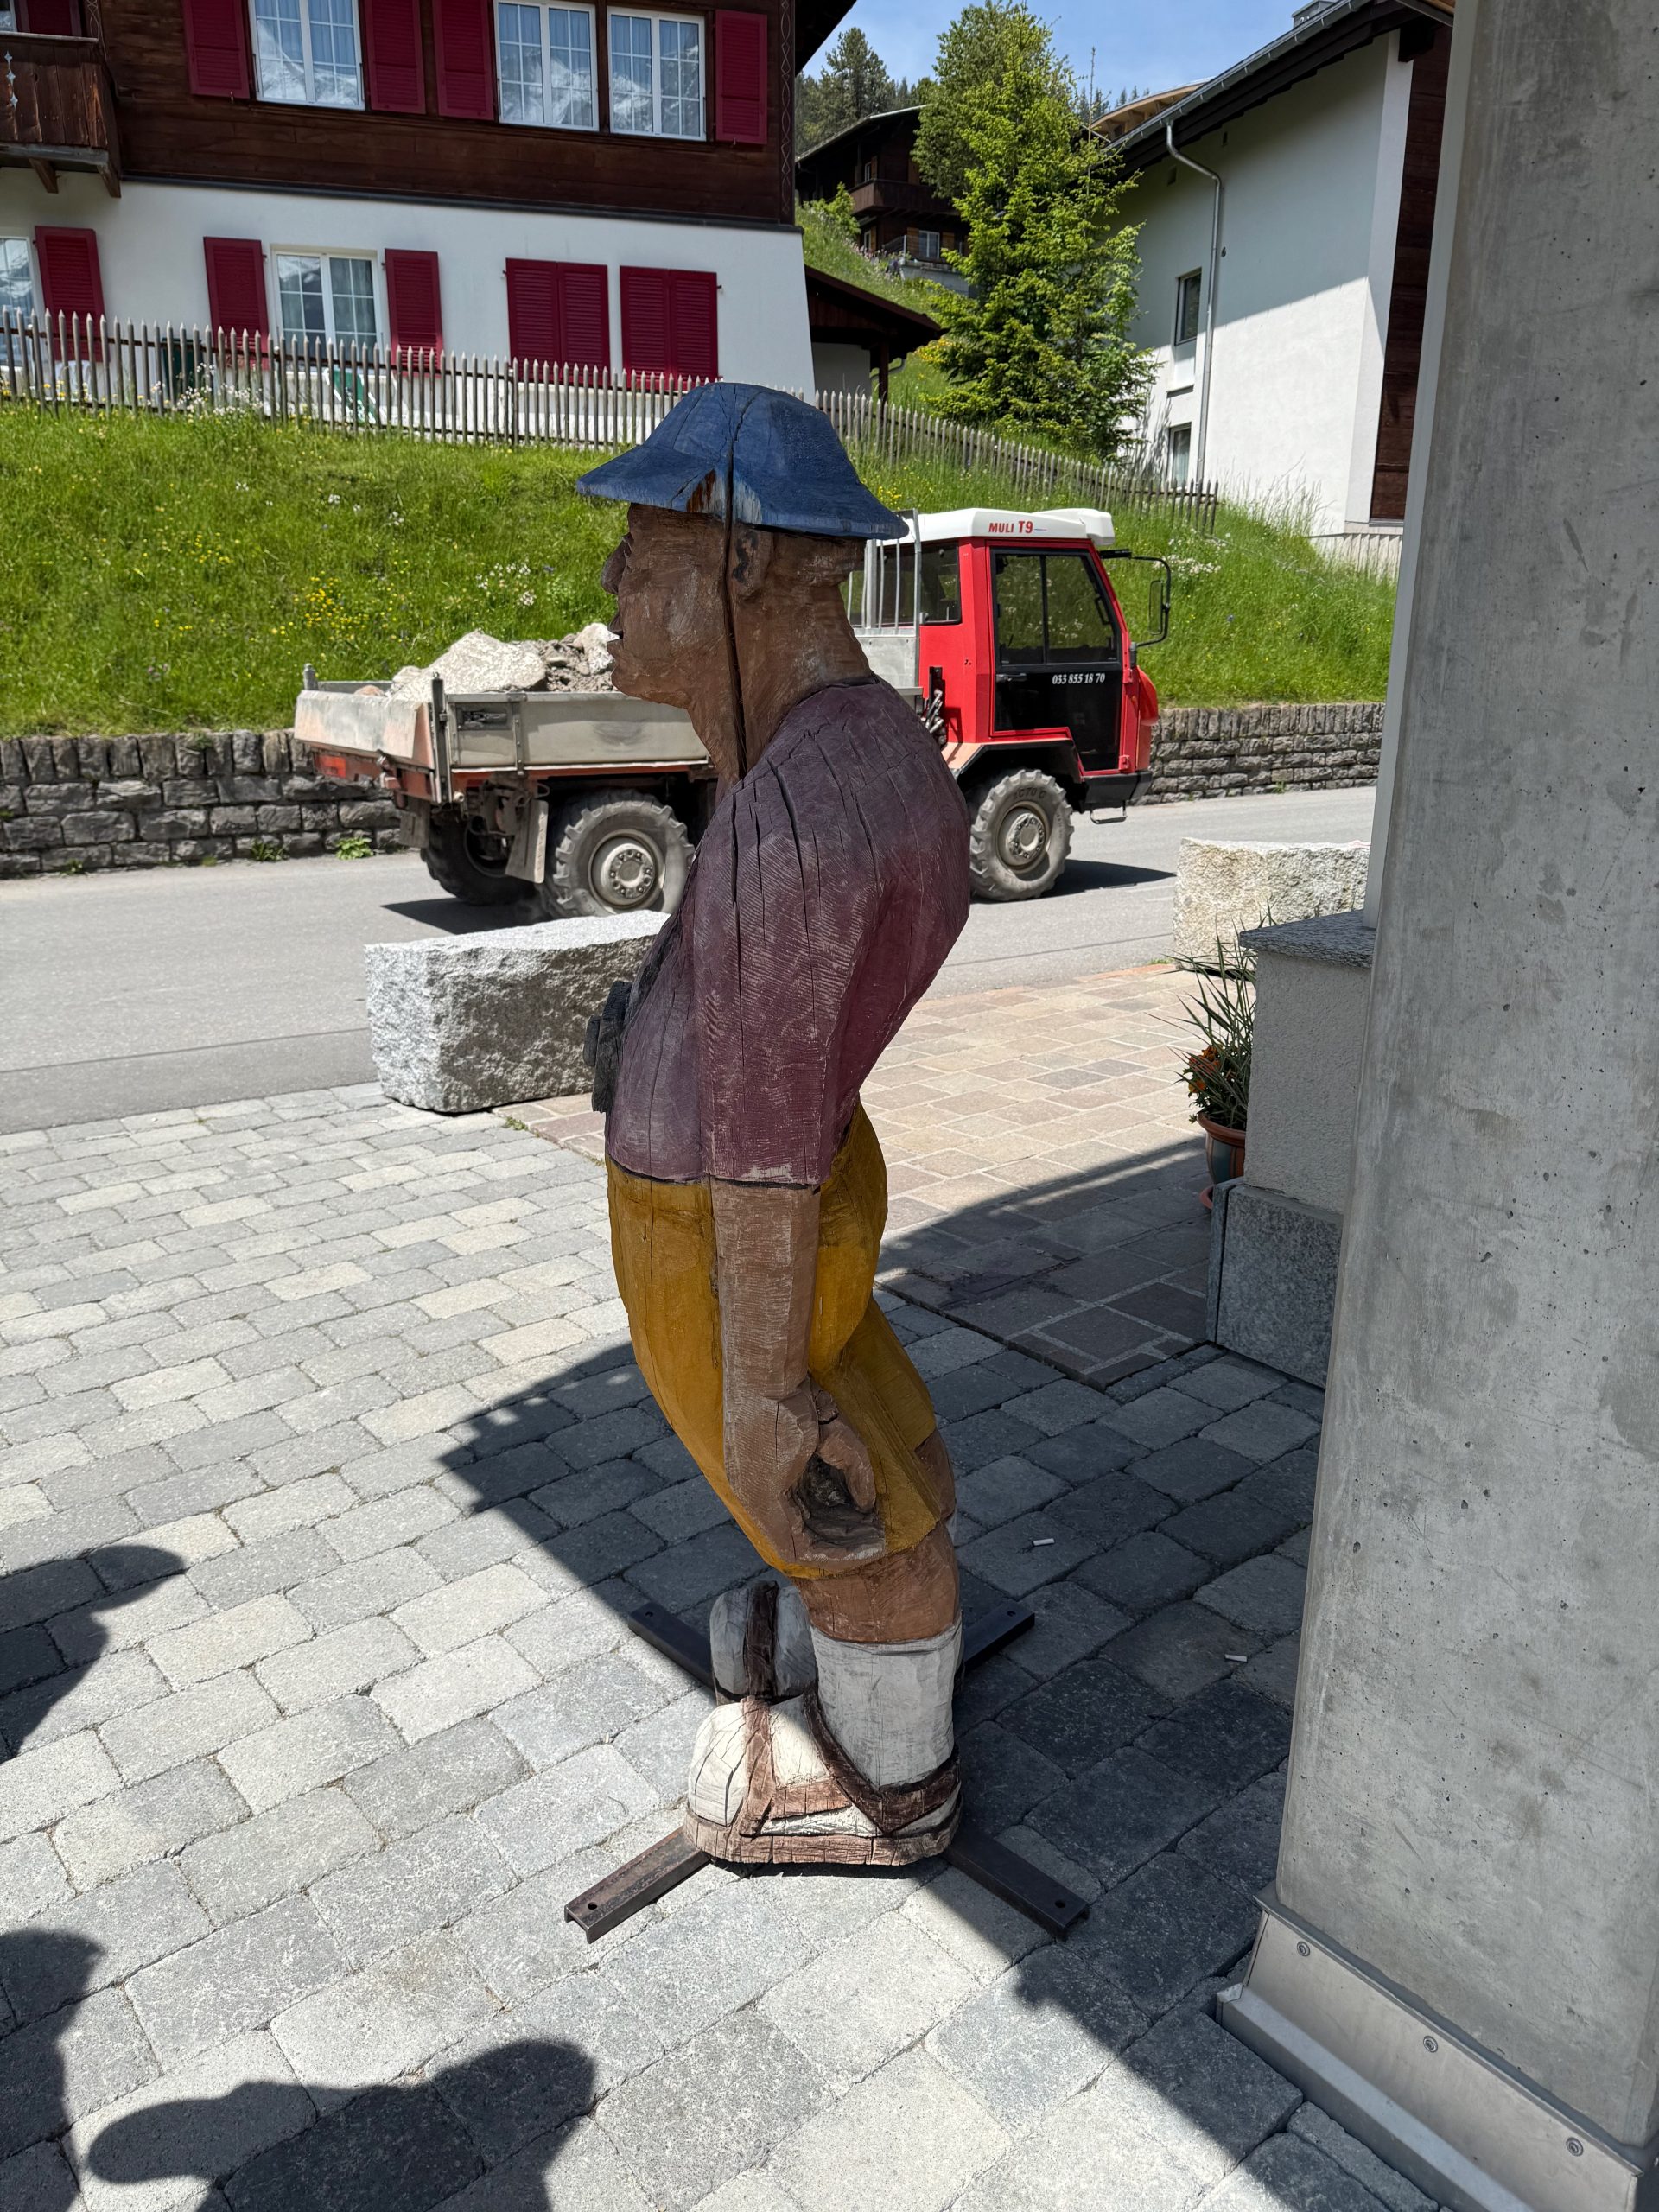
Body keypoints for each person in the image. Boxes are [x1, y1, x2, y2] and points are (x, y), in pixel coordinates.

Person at [577, 385, 971, 1866]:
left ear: (743, 562)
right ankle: (861, 1661)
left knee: (811, 1482)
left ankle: (891, 1774)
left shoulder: (800, 814)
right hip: (779, 1186)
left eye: (641, 548)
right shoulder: (841, 754)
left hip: (725, 1215)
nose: (613, 581)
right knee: (859, 1433)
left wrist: (759, 1385)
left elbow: (757, 1134)